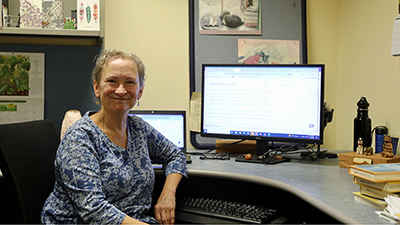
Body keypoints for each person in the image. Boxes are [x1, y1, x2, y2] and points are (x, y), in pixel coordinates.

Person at [41, 49, 188, 224]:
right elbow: (94, 210)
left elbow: (175, 155)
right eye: (112, 81)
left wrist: (168, 195)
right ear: (97, 87)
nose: (120, 90)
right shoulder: (80, 138)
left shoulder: (138, 128)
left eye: (130, 82)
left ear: (140, 91)